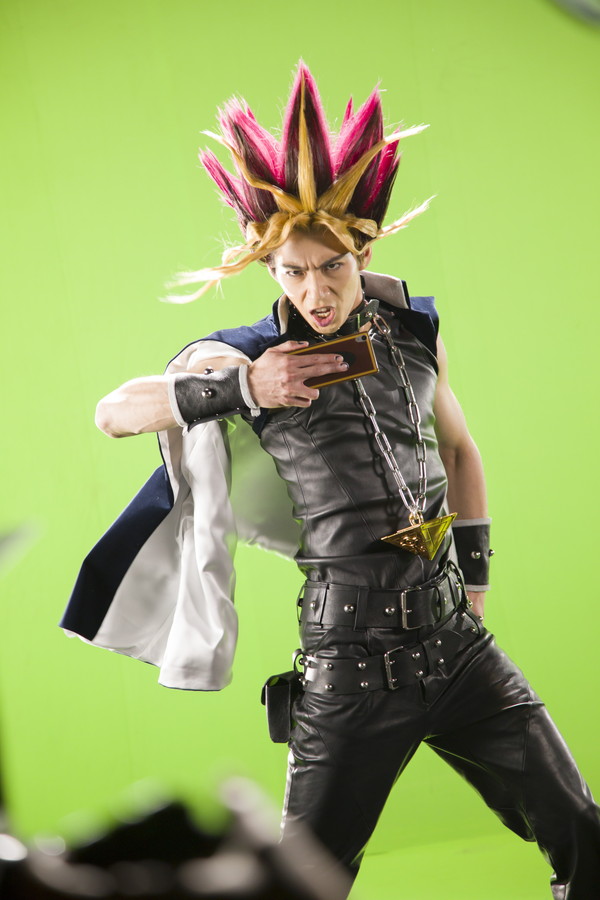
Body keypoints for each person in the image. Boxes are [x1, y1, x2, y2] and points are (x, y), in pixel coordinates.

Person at [61, 65, 600, 897]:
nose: (315, 290)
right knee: (300, 883)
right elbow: (113, 412)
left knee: (584, 835)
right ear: (270, 269)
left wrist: (476, 586)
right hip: (351, 669)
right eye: (292, 271)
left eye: (333, 266)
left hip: (459, 647)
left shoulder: (413, 330)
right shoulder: (246, 358)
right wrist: (245, 388)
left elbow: (460, 451)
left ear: (364, 251)